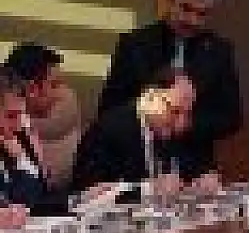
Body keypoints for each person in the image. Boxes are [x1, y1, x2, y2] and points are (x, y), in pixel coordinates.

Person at [97, 0, 242, 172]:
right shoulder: (135, 45)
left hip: (195, 165)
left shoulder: (218, 52)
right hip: (138, 161)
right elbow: (110, 109)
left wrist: (188, 124)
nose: (192, 20)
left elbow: (232, 117)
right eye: (186, 9)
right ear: (170, 0)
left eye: (202, 14)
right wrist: (150, 118)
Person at [71, 70, 220, 198]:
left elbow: (194, 168)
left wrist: (204, 178)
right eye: (175, 111)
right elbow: (87, 192)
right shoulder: (111, 130)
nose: (181, 123)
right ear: (149, 98)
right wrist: (147, 189)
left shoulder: (177, 131)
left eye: (187, 113)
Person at [2, 42, 67, 190]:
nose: (58, 95)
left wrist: (79, 199)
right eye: (54, 85)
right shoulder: (10, 130)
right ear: (33, 88)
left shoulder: (27, 125)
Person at [0, 68, 63, 217]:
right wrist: (19, 162)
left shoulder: (20, 139)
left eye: (21, 115)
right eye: (11, 116)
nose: (17, 126)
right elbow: (16, 202)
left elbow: (42, 197)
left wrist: (81, 199)